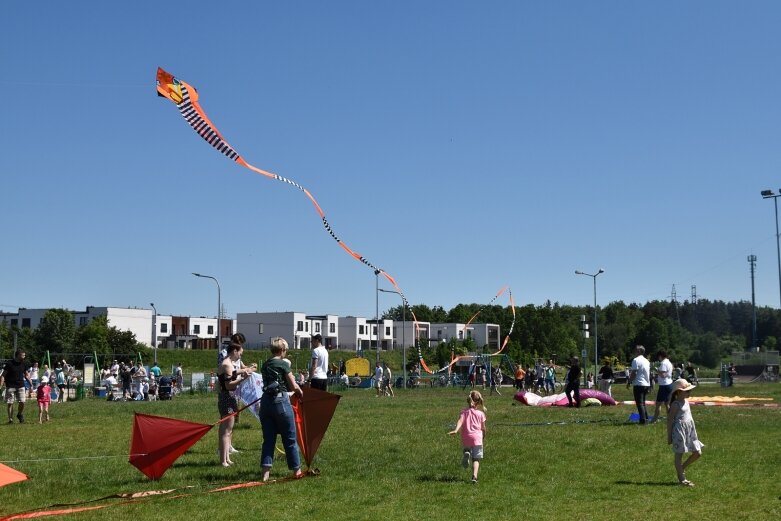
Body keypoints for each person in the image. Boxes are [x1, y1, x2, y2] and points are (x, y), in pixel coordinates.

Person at [260, 337, 304, 481]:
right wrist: (300, 392)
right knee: (290, 438)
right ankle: (296, 471)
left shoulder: (265, 365)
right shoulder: (283, 364)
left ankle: (265, 474)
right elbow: (293, 385)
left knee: (268, 440)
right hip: (281, 402)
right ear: (282, 350)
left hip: (265, 402)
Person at [217, 342, 256, 467]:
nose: (240, 356)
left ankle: (226, 458)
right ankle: (223, 460)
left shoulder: (228, 364)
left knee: (228, 430)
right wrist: (243, 377)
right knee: (226, 430)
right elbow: (229, 385)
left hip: (228, 397)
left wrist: (246, 370)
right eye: (240, 353)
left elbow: (234, 373)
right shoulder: (227, 365)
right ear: (234, 351)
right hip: (227, 397)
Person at [667, 378, 704, 486]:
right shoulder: (675, 404)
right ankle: (682, 479)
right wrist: (669, 436)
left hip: (689, 429)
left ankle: (681, 468)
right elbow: (669, 421)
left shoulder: (686, 402)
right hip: (679, 430)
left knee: (698, 453)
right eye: (687, 391)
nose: (689, 392)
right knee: (679, 454)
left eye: (689, 390)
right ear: (678, 392)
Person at [448, 390, 486, 484]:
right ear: (479, 402)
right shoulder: (481, 414)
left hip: (467, 437)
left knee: (466, 449)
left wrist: (456, 430)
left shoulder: (464, 412)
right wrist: (483, 436)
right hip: (477, 438)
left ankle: (467, 452)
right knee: (476, 459)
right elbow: (483, 428)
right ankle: (474, 477)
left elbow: (460, 421)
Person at [1, 350, 32, 423]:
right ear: (18, 355)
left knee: (22, 402)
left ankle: (19, 414)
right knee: (10, 403)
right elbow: (3, 375)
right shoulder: (9, 364)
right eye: (23, 355)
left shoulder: (24, 364)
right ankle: (10, 419)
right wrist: (1, 385)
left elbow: (26, 375)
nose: (24, 357)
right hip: (10, 386)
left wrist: (31, 385)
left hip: (21, 385)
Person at [628, 345, 651, 424]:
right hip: (646, 384)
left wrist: (629, 381)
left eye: (635, 350)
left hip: (639, 384)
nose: (634, 351)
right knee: (643, 403)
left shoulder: (636, 360)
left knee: (640, 403)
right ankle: (646, 418)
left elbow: (634, 372)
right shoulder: (647, 361)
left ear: (639, 351)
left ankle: (643, 420)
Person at [652, 350, 674, 423]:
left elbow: (663, 375)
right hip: (669, 384)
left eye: (658, 357)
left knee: (658, 404)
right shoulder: (669, 362)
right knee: (667, 403)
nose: (658, 358)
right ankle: (671, 419)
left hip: (664, 385)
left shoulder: (663, 363)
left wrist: (655, 369)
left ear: (660, 356)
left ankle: (654, 420)